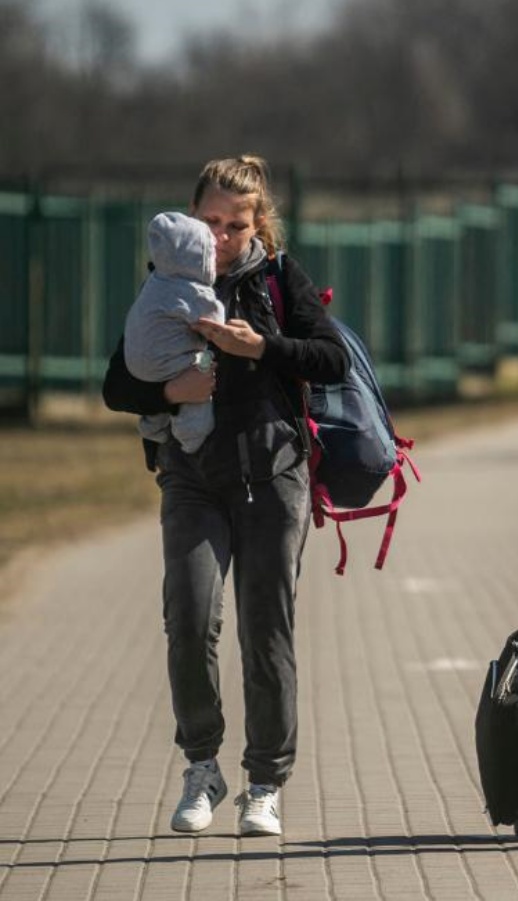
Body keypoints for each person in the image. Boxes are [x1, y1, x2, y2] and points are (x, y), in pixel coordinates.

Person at [101, 155, 349, 837]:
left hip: (273, 476)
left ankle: (264, 781)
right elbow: (116, 384)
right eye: (208, 222)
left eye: (235, 224)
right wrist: (167, 394)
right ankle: (202, 763)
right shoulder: (167, 282)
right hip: (191, 475)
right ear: (189, 220)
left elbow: (333, 358)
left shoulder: (275, 277)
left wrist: (261, 346)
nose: (220, 237)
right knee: (189, 615)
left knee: (265, 632)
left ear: (256, 223)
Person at [122, 211, 226, 453]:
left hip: (136, 364)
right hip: (167, 361)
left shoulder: (157, 281)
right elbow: (215, 323)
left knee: (173, 371)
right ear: (195, 257)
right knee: (202, 366)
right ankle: (192, 436)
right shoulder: (191, 290)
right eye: (209, 254)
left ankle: (152, 426)